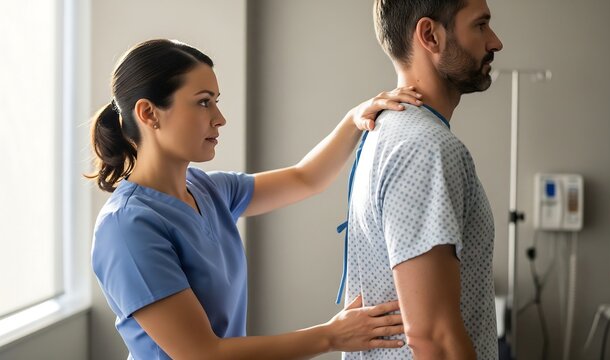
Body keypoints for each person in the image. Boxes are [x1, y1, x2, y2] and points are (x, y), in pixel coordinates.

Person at [89, 39, 424, 359]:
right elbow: (202, 355)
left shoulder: (208, 190)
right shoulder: (126, 227)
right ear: (149, 113)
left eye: (216, 101)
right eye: (204, 101)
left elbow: (305, 178)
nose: (219, 118)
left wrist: (356, 118)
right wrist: (331, 335)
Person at [340, 0, 503, 359]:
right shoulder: (425, 147)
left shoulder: (386, 132)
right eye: (480, 25)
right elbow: (434, 337)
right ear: (430, 35)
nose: (495, 42)